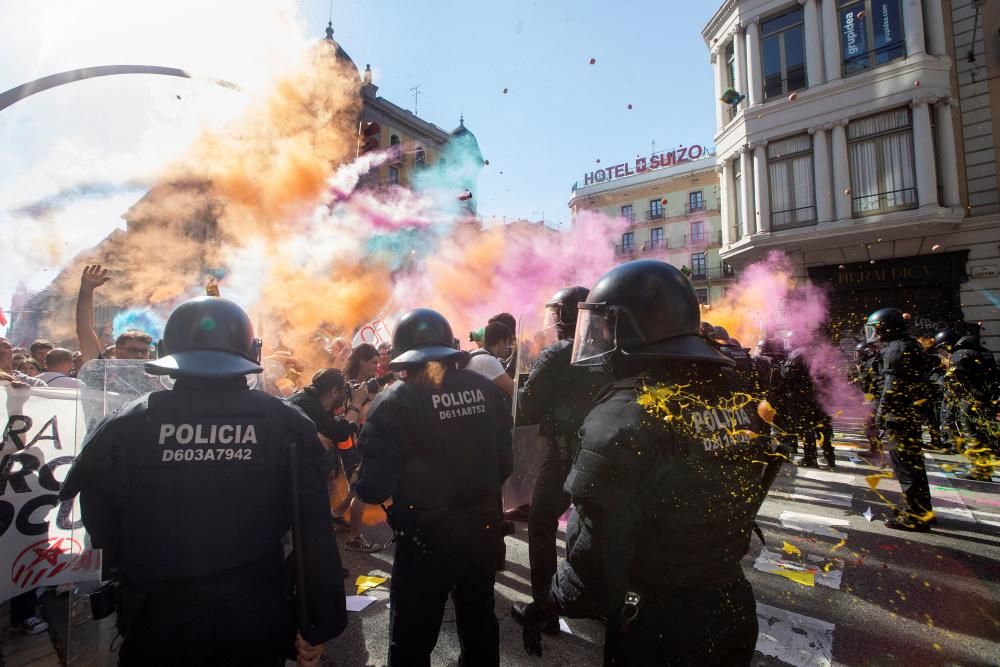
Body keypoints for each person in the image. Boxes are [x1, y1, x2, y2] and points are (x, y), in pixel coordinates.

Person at [59, 296, 346, 665]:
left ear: (166, 351)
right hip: (253, 617)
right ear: (252, 352)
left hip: (157, 619)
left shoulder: (126, 424)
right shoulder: (285, 424)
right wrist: (316, 623)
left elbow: (102, 528)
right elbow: (313, 532)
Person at [521, 260, 767, 665]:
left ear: (631, 329)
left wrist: (544, 604)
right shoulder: (733, 396)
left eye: (604, 326)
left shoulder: (624, 416)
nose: (596, 338)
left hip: (657, 622)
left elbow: (594, 574)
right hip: (733, 604)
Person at [354, 308, 513, 666]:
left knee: (412, 637)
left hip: (426, 540)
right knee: (479, 624)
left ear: (403, 359)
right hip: (483, 529)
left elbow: (372, 488)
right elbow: (506, 463)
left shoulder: (394, 402)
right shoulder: (486, 391)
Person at [510, 286, 612, 634]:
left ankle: (545, 609)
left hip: (566, 452)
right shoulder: (612, 352)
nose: (552, 320)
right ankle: (600, 601)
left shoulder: (558, 354)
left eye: (556, 314)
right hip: (606, 453)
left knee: (540, 523)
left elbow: (528, 406)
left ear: (569, 317)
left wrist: (524, 383)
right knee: (598, 525)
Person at [866, 307, 933, 531]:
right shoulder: (911, 345)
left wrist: (880, 417)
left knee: (905, 466)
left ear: (886, 327)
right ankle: (923, 510)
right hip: (910, 414)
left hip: (899, 417)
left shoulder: (895, 350)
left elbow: (890, 388)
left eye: (876, 329)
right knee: (914, 464)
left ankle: (914, 516)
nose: (874, 333)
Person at [335, 343, 384, 552]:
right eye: (373, 362)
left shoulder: (363, 385)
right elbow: (351, 416)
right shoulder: (352, 385)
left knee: (356, 483)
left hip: (356, 440)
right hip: (350, 441)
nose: (377, 366)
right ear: (362, 361)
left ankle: (336, 514)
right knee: (360, 488)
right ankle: (355, 537)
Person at [946, 333, 999, 480]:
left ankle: (979, 470)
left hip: (971, 401)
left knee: (971, 433)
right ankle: (984, 468)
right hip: (985, 400)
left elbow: (956, 380)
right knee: (982, 433)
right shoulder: (984, 353)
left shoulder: (960, 354)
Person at [781, 346, 835, 467]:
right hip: (822, 397)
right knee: (823, 427)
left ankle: (810, 458)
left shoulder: (795, 354)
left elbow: (787, 376)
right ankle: (830, 456)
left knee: (807, 427)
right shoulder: (820, 353)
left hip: (803, 398)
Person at [466, 321, 515, 396]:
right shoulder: (489, 361)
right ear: (501, 342)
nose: (508, 348)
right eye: (508, 343)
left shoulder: (476, 353)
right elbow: (514, 391)